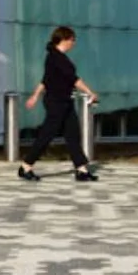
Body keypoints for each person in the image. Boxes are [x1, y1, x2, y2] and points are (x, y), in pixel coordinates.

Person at [17, 25, 99, 184]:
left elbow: (45, 80)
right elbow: (74, 79)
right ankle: (26, 166)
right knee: (47, 134)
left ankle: (81, 169)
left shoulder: (53, 57)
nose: (74, 43)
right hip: (57, 102)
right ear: (64, 39)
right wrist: (90, 92)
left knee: (73, 134)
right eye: (72, 40)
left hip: (64, 101)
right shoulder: (57, 58)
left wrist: (35, 96)